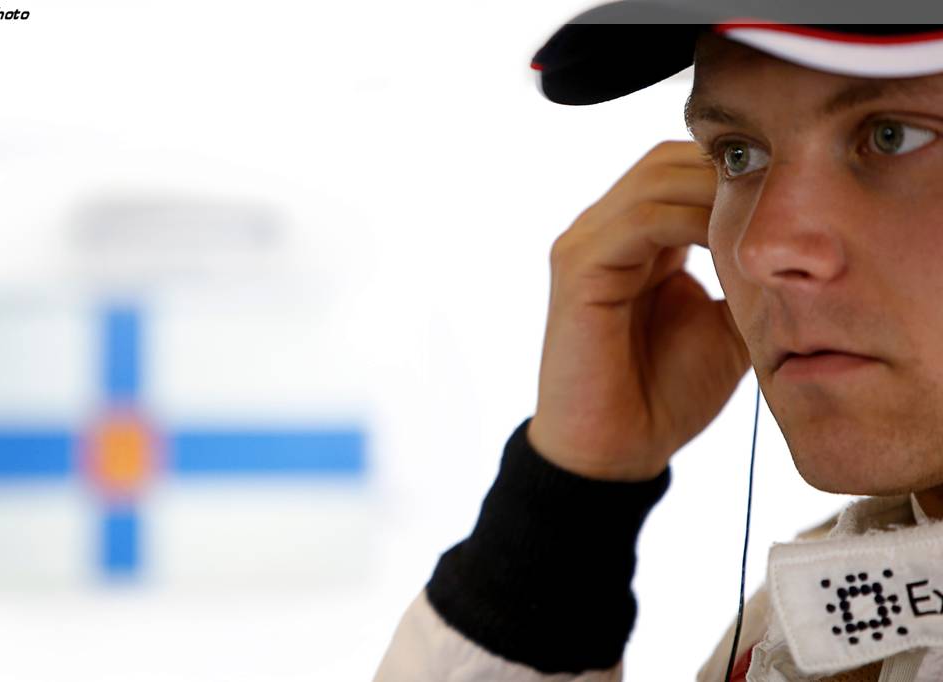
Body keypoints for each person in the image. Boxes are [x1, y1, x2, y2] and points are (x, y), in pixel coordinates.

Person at [374, 2, 943, 680]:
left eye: (892, 137)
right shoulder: (818, 615)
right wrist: (565, 508)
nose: (760, 249)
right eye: (739, 154)